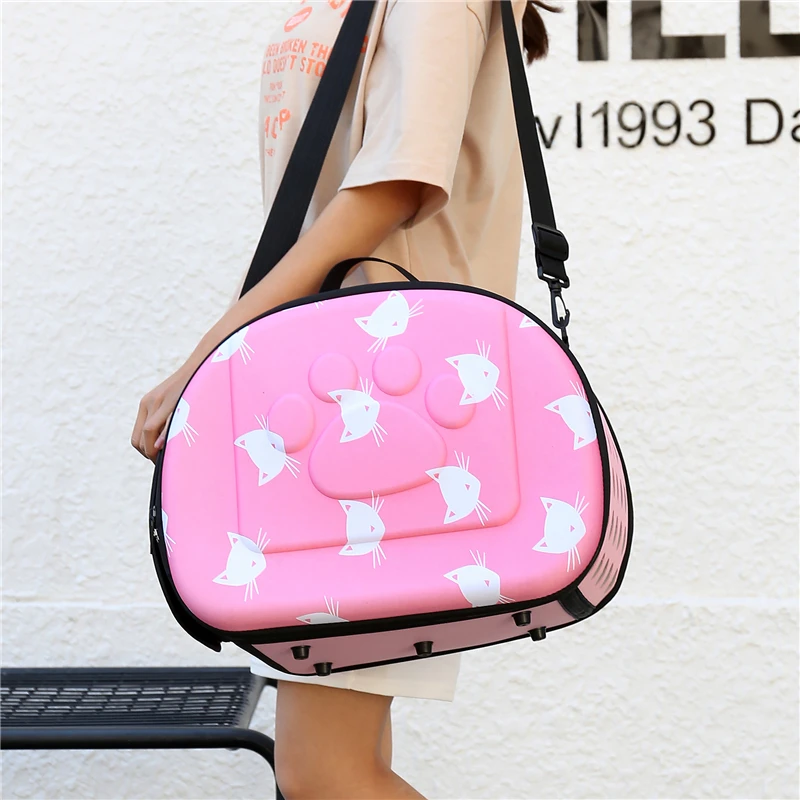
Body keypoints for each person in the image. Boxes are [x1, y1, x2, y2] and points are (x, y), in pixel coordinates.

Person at [132, 1, 556, 797]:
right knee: (343, 764)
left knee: (322, 772)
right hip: (339, 410)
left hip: (387, 425)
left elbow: (390, 189)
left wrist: (212, 355)